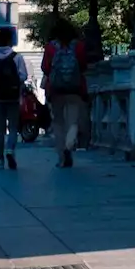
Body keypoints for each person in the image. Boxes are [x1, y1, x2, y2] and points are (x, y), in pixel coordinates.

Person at [41, 19, 87, 168]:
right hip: (75, 89)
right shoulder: (79, 46)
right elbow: (83, 66)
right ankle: (69, 146)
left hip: (56, 90)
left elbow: (45, 68)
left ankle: (61, 158)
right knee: (73, 121)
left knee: (58, 123)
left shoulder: (50, 47)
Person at [0, 26, 28, 170]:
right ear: (9, 41)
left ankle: (0, 160)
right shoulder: (17, 57)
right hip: (13, 97)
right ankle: (10, 150)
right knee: (13, 127)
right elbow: (23, 76)